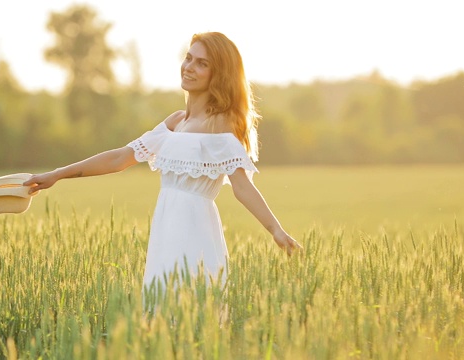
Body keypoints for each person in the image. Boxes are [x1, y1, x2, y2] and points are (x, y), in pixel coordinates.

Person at [23, 32, 301, 289]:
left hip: (197, 233)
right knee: (160, 314)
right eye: (188, 57)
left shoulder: (221, 124)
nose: (189, 66)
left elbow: (241, 186)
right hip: (165, 232)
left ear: (219, 74)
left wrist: (275, 229)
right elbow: (119, 158)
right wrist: (57, 174)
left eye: (202, 63)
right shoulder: (176, 122)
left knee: (192, 315)